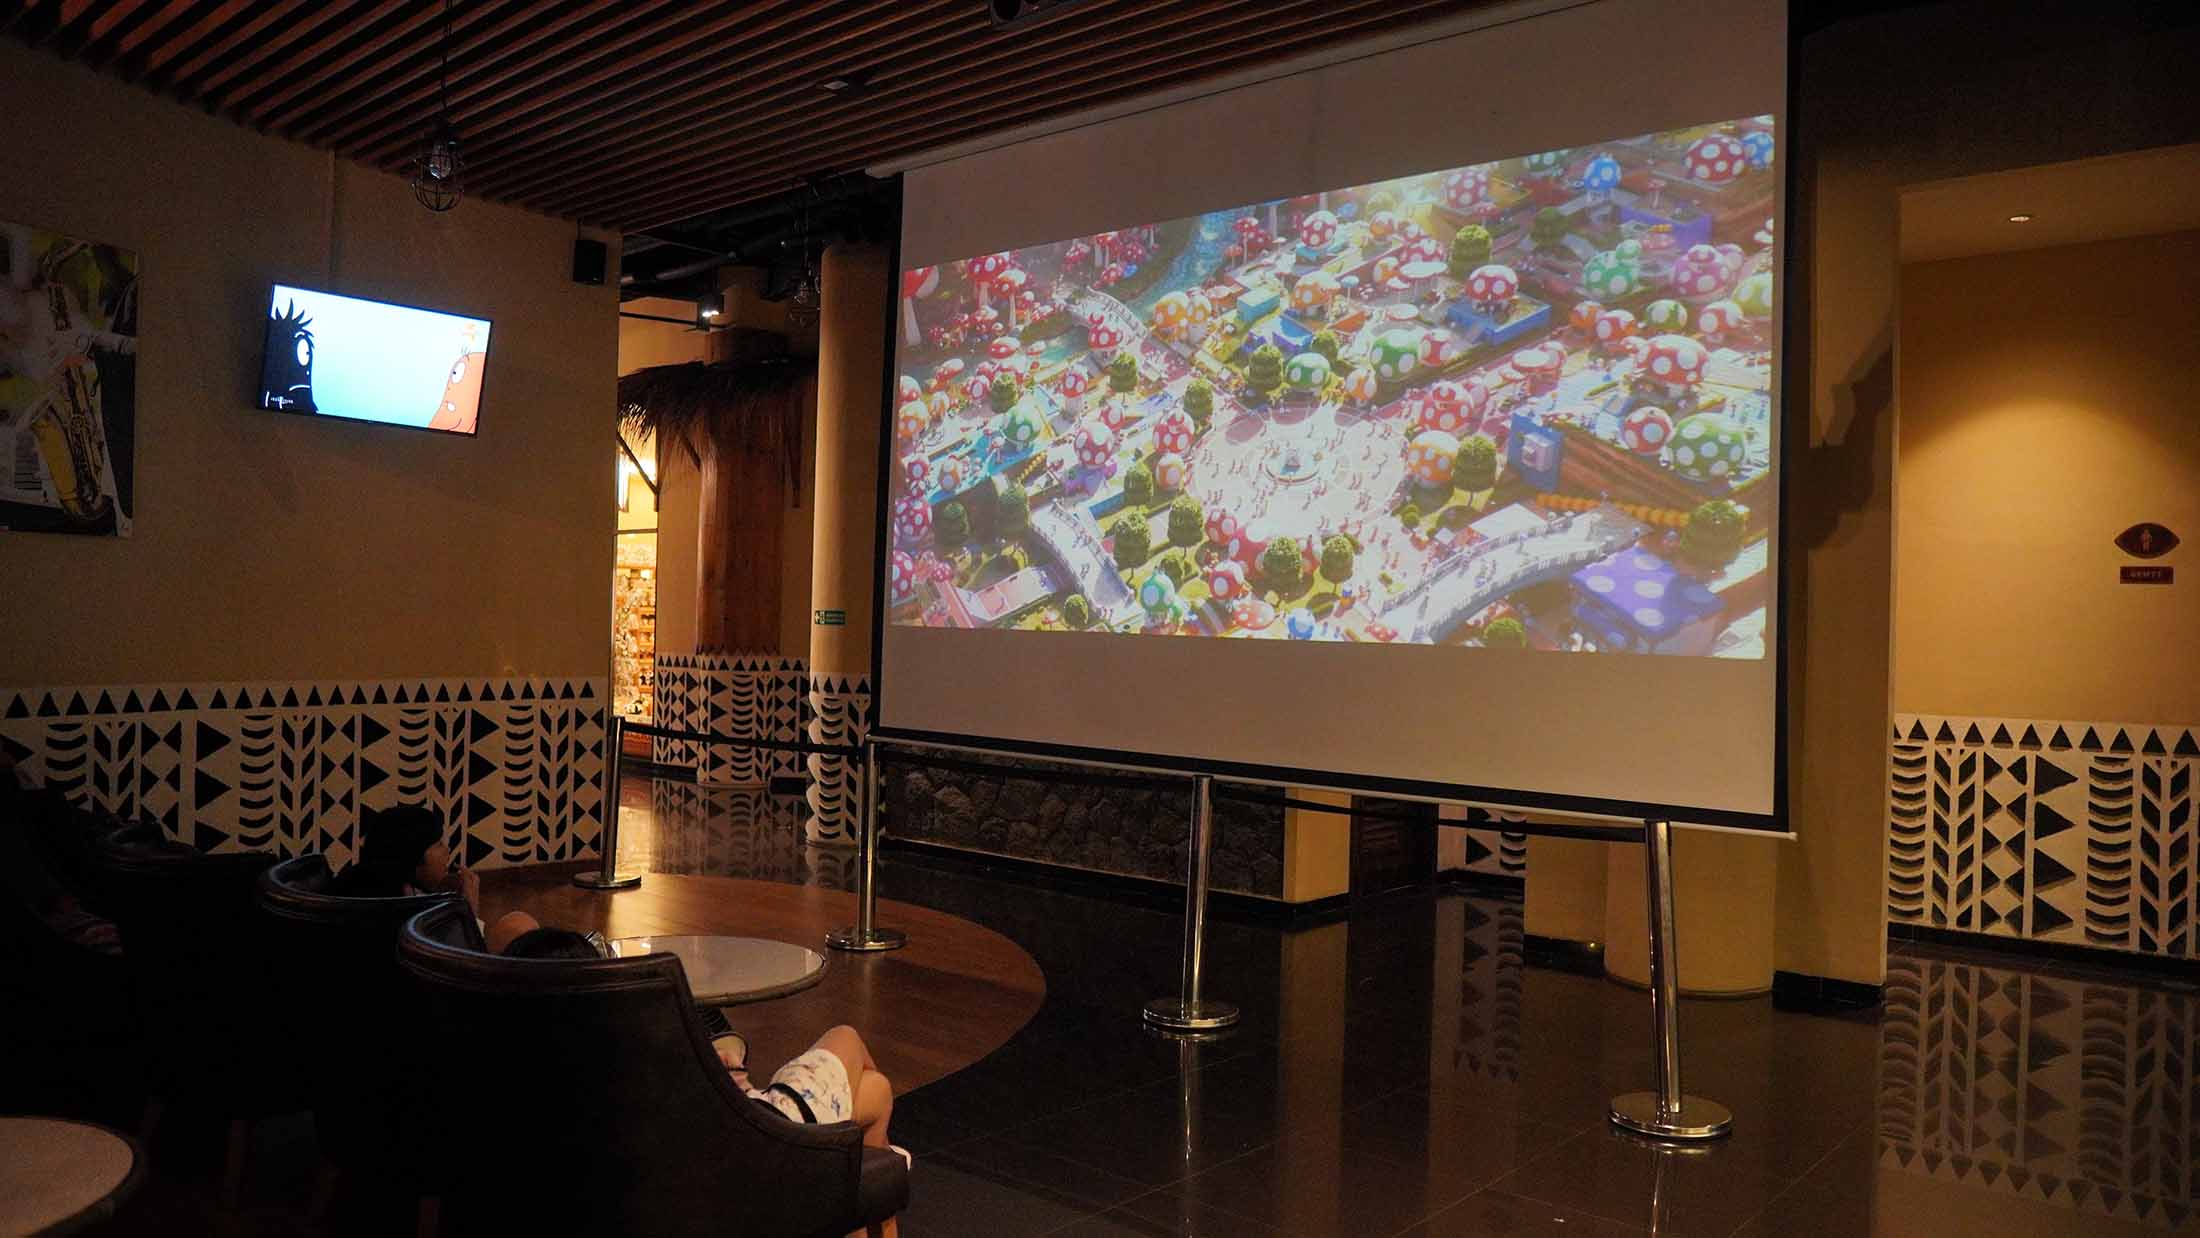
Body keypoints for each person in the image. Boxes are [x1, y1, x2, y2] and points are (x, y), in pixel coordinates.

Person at [499, 924, 907, 1208]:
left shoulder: (524, 1076)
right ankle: (876, 1176)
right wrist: (723, 1075)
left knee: (875, 1090)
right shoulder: (631, 1064)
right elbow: (698, 1116)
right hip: (757, 1144)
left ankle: (874, 1176)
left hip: (707, 1155)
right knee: (846, 1036)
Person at [329, 803, 479, 917]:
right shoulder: (393, 904)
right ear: (415, 853)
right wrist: (469, 908)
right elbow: (461, 949)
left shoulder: (370, 880)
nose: (447, 849)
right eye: (438, 844)